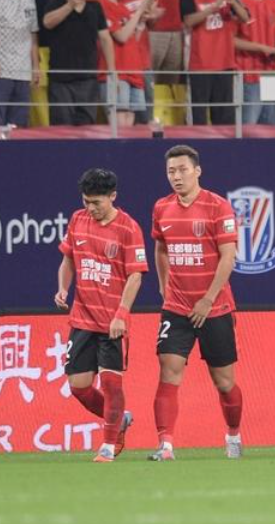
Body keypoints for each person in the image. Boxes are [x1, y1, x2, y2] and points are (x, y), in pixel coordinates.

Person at [149, 144, 245, 460]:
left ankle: (233, 435)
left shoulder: (218, 207)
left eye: (182, 170)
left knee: (224, 381)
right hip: (176, 307)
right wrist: (164, 286)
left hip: (215, 308)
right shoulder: (162, 208)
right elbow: (161, 249)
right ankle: (165, 444)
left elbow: (229, 257)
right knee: (169, 370)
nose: (176, 176)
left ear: (197, 171)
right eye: (171, 171)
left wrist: (208, 299)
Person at [55, 167, 146, 463]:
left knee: (111, 384)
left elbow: (135, 276)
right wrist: (63, 288)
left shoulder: (129, 228)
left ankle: (108, 444)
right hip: (82, 319)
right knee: (79, 387)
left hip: (112, 322)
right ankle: (119, 419)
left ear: (113, 196)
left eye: (97, 202)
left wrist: (121, 314)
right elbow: (68, 259)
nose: (90, 208)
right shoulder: (77, 220)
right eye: (86, 201)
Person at [41, 0, 115, 126]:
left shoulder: (95, 7)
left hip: (88, 78)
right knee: (62, 127)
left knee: (87, 128)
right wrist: (70, 5)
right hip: (60, 79)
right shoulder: (54, 3)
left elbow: (105, 39)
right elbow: (47, 22)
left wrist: (112, 71)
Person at [0, 0, 40, 128]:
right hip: (1, 73)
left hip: (23, 73)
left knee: (18, 129)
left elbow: (32, 32)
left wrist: (36, 66)